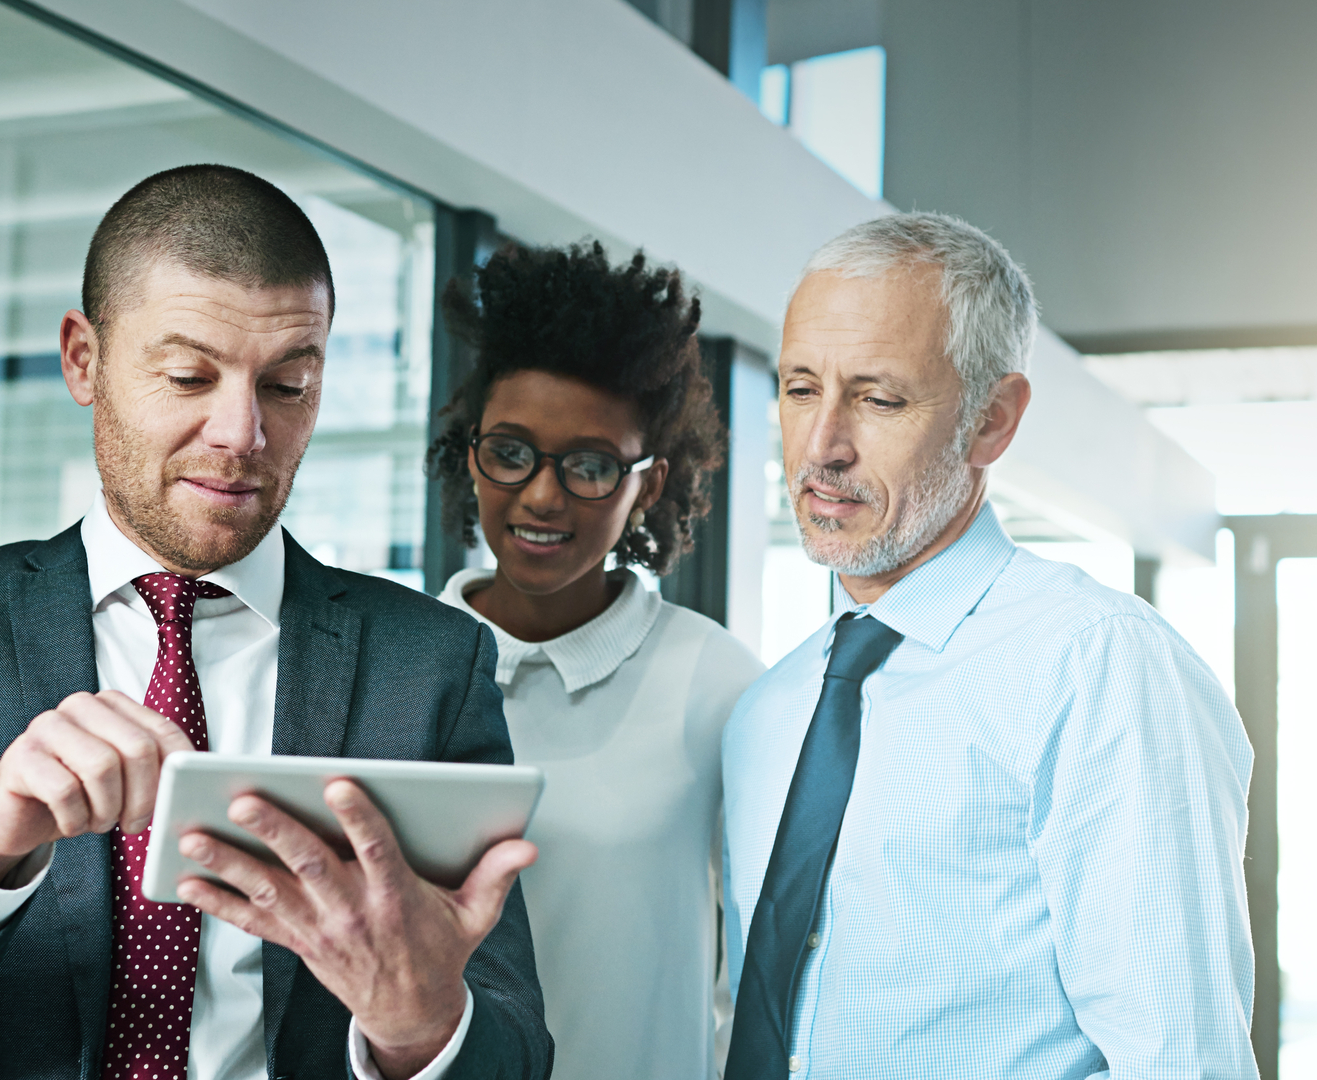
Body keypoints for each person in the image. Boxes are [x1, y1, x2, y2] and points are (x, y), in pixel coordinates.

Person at [0, 165, 549, 1080]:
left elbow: (517, 1054)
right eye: (187, 376)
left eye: (288, 386)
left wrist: (420, 1028)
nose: (242, 433)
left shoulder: (431, 663)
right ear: (83, 361)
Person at [720, 212, 1256, 1079]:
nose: (821, 447)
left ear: (992, 421)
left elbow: (1182, 1060)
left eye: (879, 397)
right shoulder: (768, 711)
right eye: (800, 388)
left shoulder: (1099, 667)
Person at [426, 240, 765, 1079]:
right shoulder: (396, 663)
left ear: (647, 486)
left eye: (589, 467)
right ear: (472, 451)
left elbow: (761, 964)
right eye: (510, 451)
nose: (541, 496)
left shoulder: (715, 682)